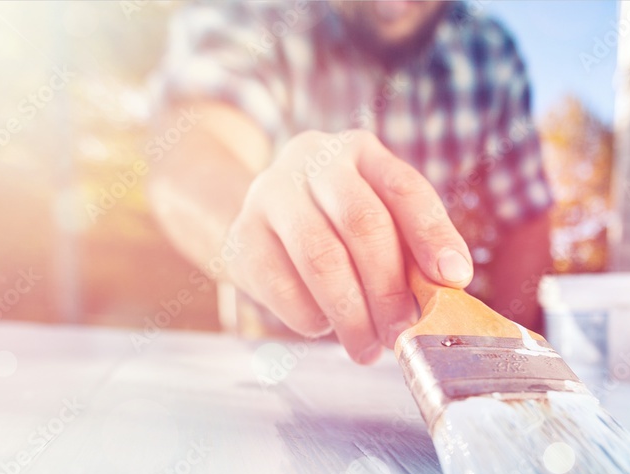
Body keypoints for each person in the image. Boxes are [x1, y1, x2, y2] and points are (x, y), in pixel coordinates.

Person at [149, 0, 553, 364]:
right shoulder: (248, 13)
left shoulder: (490, 51)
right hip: (273, 371)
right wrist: (242, 225)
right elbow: (193, 157)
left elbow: (525, 220)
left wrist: (502, 362)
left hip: (448, 366)